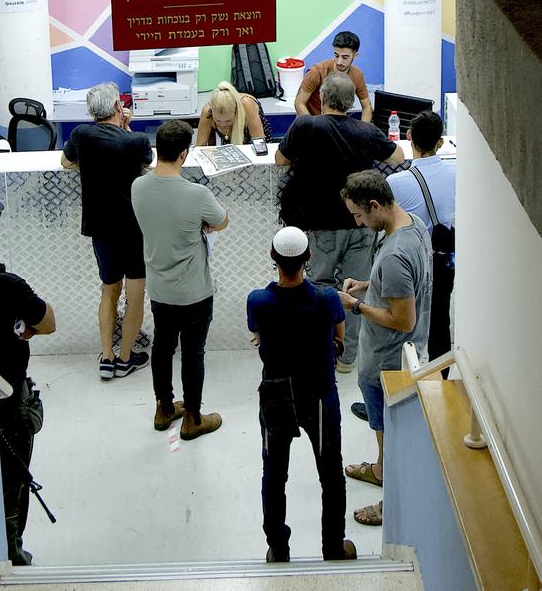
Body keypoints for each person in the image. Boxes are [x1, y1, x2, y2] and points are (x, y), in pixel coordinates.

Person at [276, 74, 404, 374]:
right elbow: (397, 156)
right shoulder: (366, 130)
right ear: (351, 103)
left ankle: (323, 349)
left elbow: (281, 159)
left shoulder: (306, 125)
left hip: (320, 227)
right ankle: (348, 358)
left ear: (322, 97)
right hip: (361, 226)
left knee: (320, 286)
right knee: (357, 291)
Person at [247, 226, 356, 564]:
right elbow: (338, 334)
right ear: (309, 256)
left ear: (272, 257)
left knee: (275, 474)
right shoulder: (327, 298)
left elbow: (257, 333)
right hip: (320, 396)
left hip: (277, 396)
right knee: (330, 473)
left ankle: (278, 549)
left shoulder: (259, 300)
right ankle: (333, 548)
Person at [339, 170, 432, 528]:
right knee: (383, 431)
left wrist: (355, 305)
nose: (358, 222)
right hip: (388, 357)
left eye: (359, 215)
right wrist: (367, 285)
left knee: (392, 435)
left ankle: (391, 502)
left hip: (388, 364)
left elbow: (402, 320)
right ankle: (379, 470)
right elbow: (402, 288)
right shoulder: (412, 224)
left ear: (375, 204)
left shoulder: (394, 254)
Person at [131, 119, 228, 439]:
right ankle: (193, 418)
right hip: (194, 291)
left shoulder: (138, 186)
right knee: (193, 352)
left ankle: (163, 408)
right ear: (184, 154)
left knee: (162, 346)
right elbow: (221, 221)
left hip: (159, 288)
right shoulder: (196, 193)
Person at [0, 193, 56, 566]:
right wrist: (26, 328)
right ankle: (13, 548)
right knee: (14, 476)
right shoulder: (8, 285)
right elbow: (48, 321)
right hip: (8, 398)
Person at [61, 82, 152, 379]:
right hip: (134, 227)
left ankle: (107, 356)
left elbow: (66, 163)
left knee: (109, 291)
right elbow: (147, 162)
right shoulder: (135, 140)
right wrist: (126, 127)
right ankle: (126, 358)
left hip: (100, 227)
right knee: (135, 292)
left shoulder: (81, 135)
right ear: (117, 107)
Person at [387, 110, 455, 376]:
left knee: (403, 323)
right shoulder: (457, 171)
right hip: (445, 260)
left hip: (411, 264)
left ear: (408, 136)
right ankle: (442, 381)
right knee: (440, 319)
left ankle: (401, 385)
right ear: (440, 142)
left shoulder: (396, 183)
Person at [294, 31, 372, 122]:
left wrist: (363, 131)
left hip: (337, 126)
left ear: (355, 55)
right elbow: (299, 103)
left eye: (345, 57)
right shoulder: (316, 72)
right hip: (311, 125)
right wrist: (313, 125)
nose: (339, 62)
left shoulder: (357, 76)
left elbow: (367, 107)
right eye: (336, 55)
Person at [195, 80, 273, 146]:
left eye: (228, 120)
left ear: (236, 111)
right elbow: (200, 146)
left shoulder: (247, 105)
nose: (223, 124)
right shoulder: (207, 112)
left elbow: (260, 144)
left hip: (255, 143)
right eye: (218, 121)